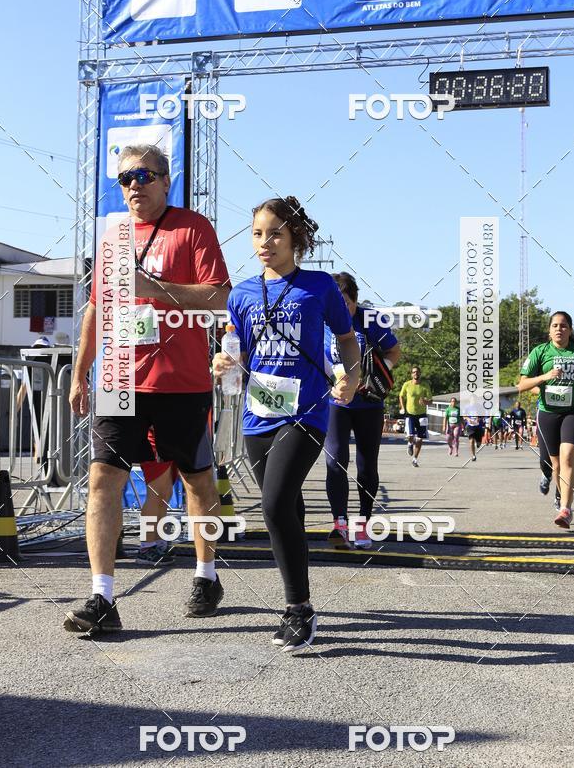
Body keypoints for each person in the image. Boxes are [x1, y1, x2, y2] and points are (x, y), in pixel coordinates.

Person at [65, 144, 230, 633]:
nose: (134, 185)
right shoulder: (114, 235)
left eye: (144, 175)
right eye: (125, 178)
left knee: (197, 481)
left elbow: (219, 297)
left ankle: (206, 574)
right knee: (103, 478)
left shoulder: (192, 227)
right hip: (119, 377)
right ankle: (102, 596)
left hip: (181, 382)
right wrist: (80, 372)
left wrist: (152, 287)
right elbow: (96, 308)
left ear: (165, 180)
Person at [214, 196, 360, 654]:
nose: (265, 242)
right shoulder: (241, 294)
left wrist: (353, 376)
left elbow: (347, 339)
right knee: (288, 508)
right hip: (257, 414)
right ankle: (298, 594)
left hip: (306, 411)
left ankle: (299, 608)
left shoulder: (319, 286)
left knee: (274, 503)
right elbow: (238, 352)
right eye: (257, 233)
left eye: (275, 233)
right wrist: (223, 362)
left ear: (295, 237)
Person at [323, 273, 400, 549]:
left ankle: (363, 524)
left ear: (355, 300)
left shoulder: (370, 319)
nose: (341, 309)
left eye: (345, 303)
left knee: (366, 465)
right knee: (335, 461)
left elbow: (394, 351)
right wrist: (327, 383)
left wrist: (377, 375)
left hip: (368, 403)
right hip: (336, 403)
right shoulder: (321, 318)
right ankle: (340, 524)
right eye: (335, 303)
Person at [519, 311, 574, 529]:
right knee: (554, 464)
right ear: (549, 330)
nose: (559, 329)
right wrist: (545, 377)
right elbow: (522, 384)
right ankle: (558, 491)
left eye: (563, 326)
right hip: (548, 412)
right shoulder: (540, 352)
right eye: (555, 325)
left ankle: (566, 509)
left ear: (570, 330)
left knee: (568, 458)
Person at [135, 425, 214, 566]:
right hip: (156, 436)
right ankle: (146, 546)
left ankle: (159, 542)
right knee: (156, 493)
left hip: (172, 436)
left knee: (165, 494)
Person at [399, 367, 433, 467]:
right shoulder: (407, 384)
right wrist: (402, 407)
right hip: (410, 414)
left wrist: (426, 402)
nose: (415, 373)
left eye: (417, 372)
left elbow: (430, 401)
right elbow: (401, 396)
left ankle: (415, 459)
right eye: (414, 372)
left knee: (420, 438)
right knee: (410, 435)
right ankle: (410, 444)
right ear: (411, 374)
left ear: (420, 373)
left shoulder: (425, 385)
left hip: (422, 415)